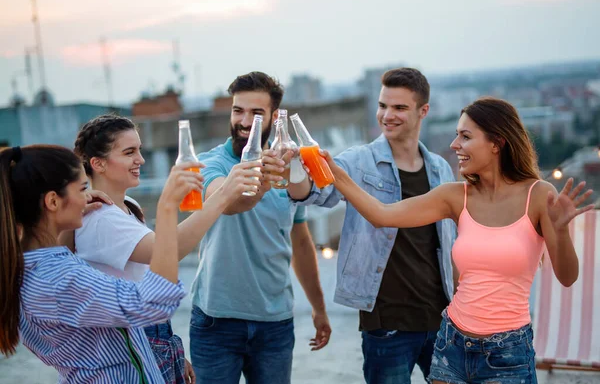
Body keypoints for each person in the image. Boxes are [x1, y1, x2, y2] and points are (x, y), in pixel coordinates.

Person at [317, 97, 594, 383]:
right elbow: (382, 215)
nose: (454, 144)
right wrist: (338, 177)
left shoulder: (539, 194)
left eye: (465, 136)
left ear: (496, 143)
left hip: (508, 353)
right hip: (452, 345)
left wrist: (560, 232)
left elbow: (568, 277)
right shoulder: (454, 196)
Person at [287, 67, 456, 383]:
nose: (387, 115)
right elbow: (309, 194)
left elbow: (452, 245)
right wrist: (295, 166)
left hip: (443, 320)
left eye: (399, 107)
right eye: (383, 106)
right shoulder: (358, 160)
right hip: (386, 324)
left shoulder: (441, 169)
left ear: (424, 111)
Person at [68, 114, 261, 384]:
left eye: (139, 150)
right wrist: (223, 196)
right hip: (130, 341)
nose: (140, 160)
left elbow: (148, 270)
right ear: (97, 163)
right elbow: (169, 251)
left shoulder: (125, 206)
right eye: (129, 152)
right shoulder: (100, 219)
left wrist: (170, 349)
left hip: (150, 334)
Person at [0, 144, 204, 382]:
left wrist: (64, 224)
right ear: (53, 202)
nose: (87, 196)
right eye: (82, 188)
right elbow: (153, 303)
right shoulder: (57, 279)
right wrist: (167, 206)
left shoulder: (33, 267)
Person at [189, 71, 331, 384]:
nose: (244, 121)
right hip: (216, 321)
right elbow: (227, 204)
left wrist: (319, 308)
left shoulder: (288, 166)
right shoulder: (210, 163)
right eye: (238, 110)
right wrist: (264, 183)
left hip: (274, 323)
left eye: (256, 113)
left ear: (274, 117)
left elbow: (301, 242)